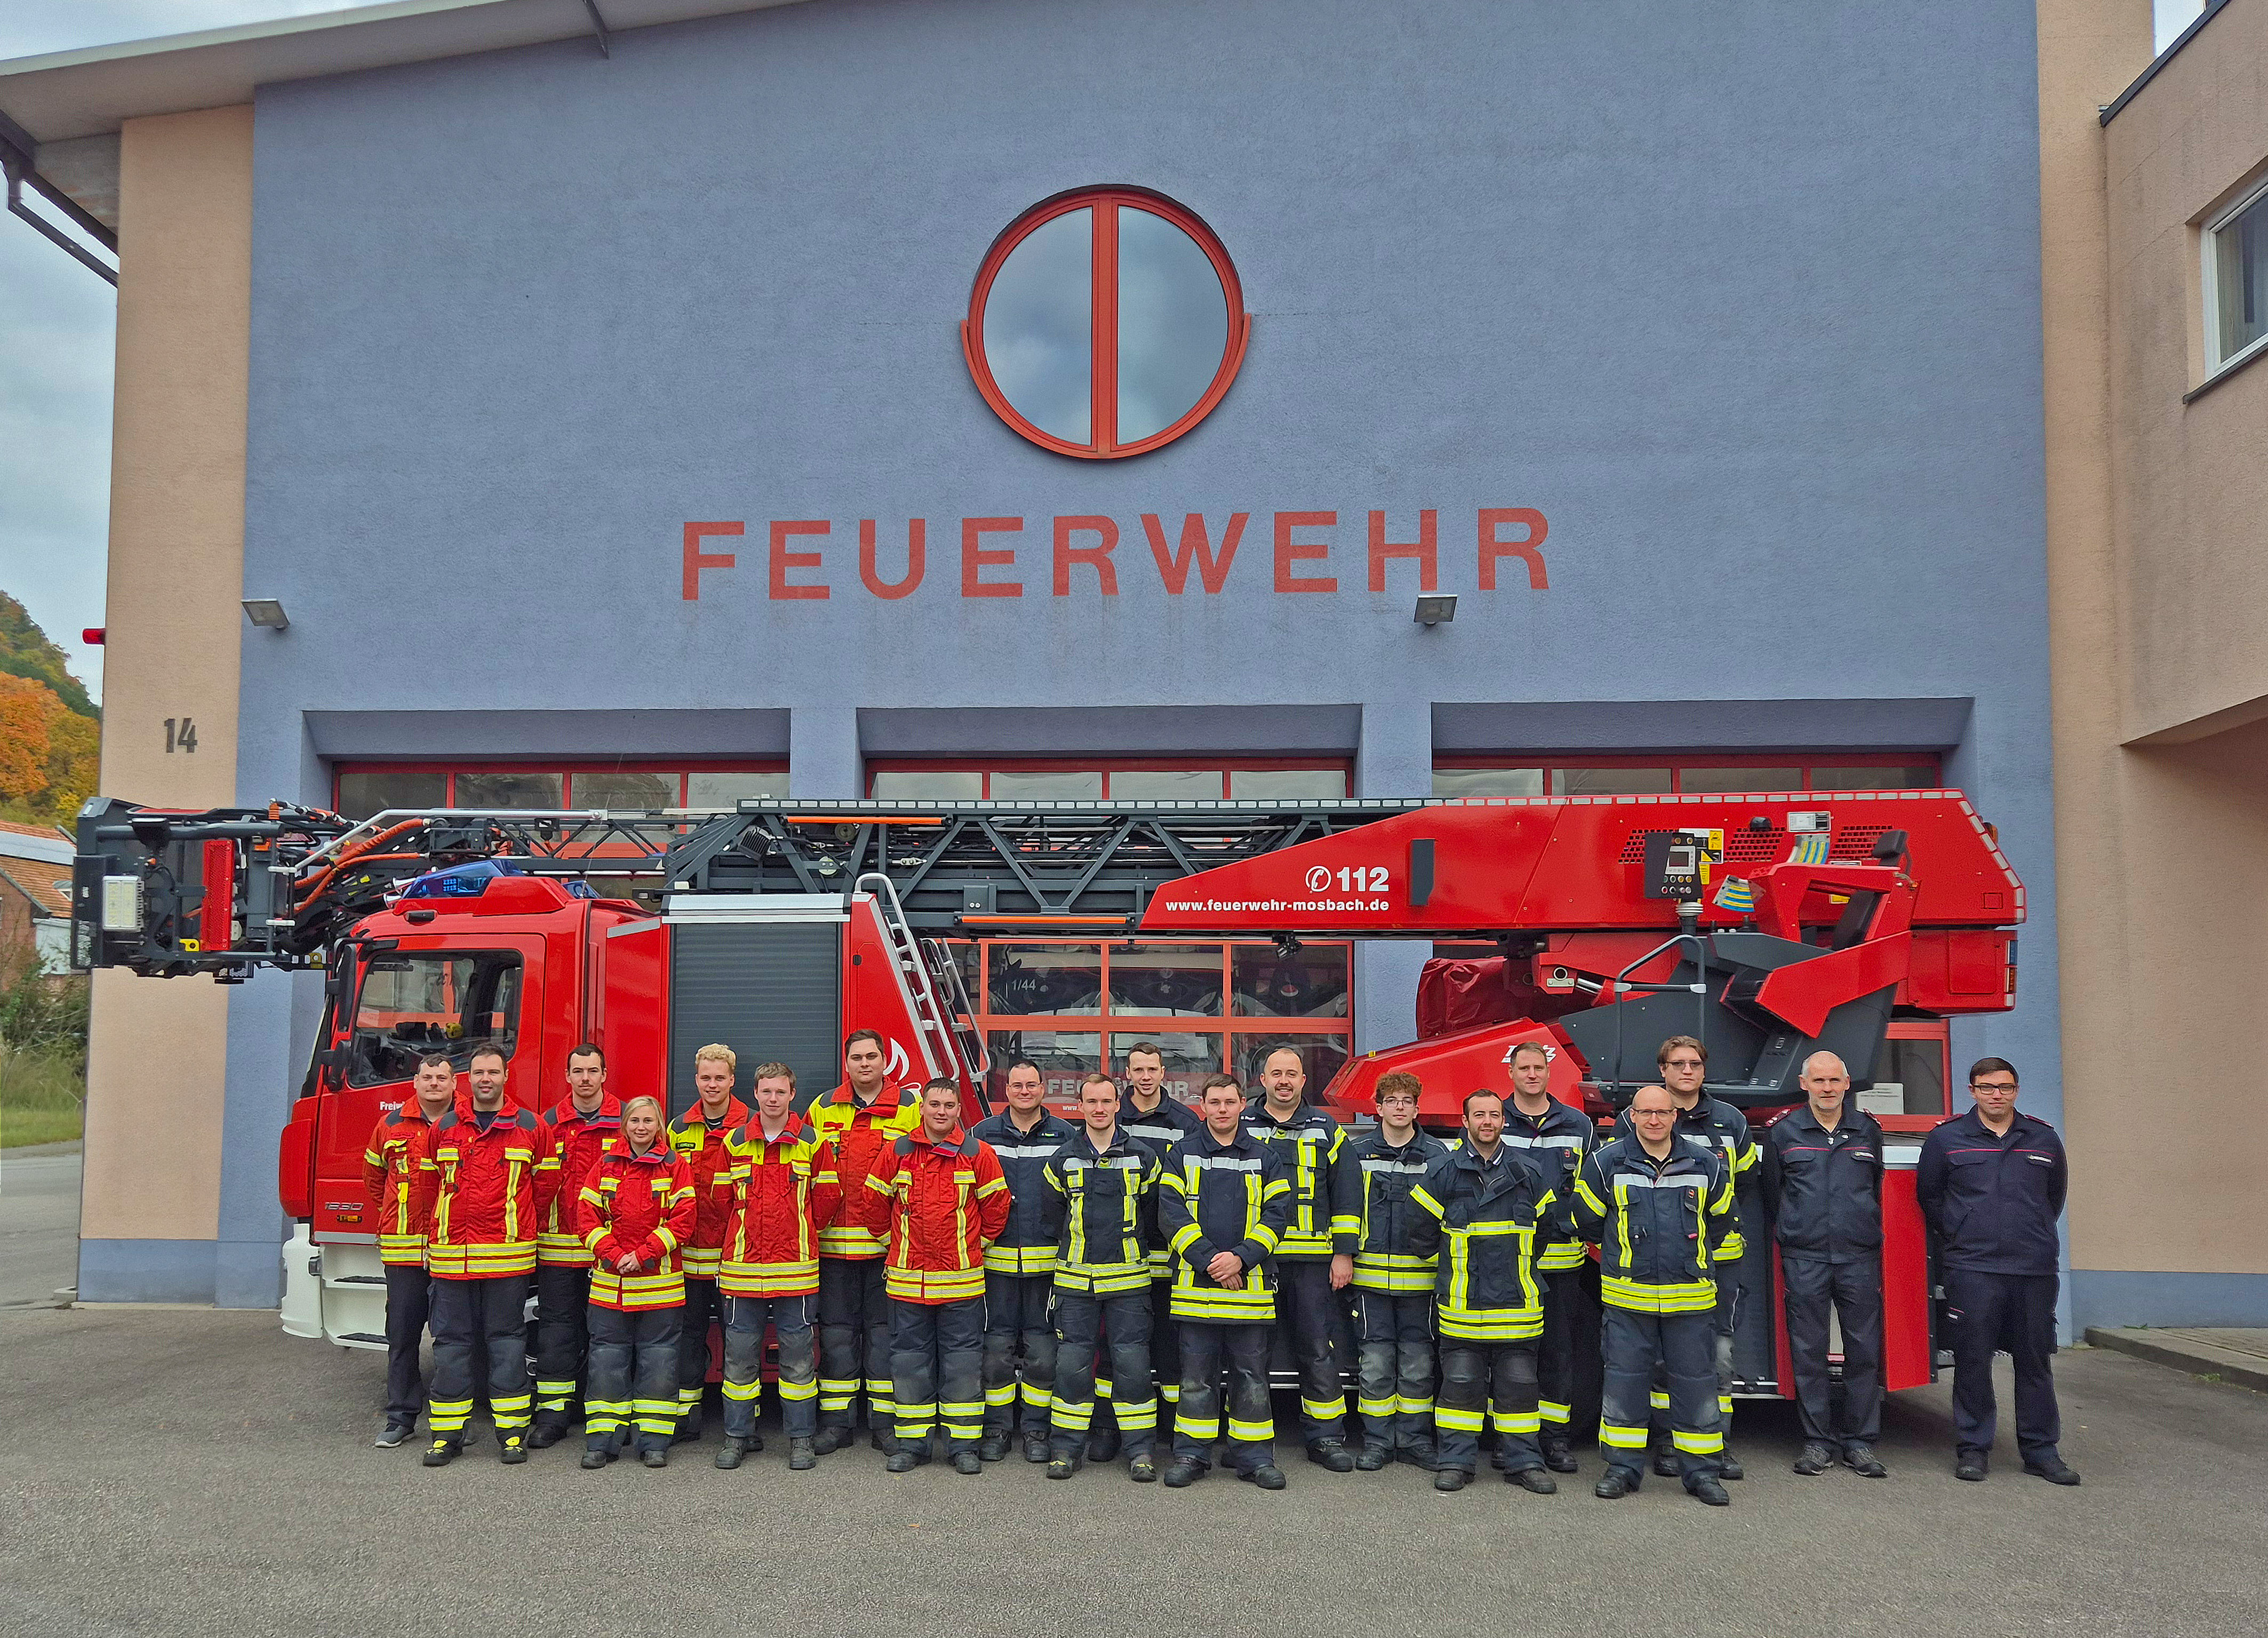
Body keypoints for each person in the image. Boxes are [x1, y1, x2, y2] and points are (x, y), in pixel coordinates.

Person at [1916, 1057, 2078, 1485]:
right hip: (1973, 1268)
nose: (1996, 1095)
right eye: (1987, 1087)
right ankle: (1973, 1449)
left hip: (2033, 1270)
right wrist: (1962, 1232)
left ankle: (2041, 1451)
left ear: (2016, 1090)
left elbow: (2054, 1197)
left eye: (2005, 1087)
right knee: (1973, 1360)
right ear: (1972, 1090)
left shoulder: (2043, 1138)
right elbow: (1931, 1197)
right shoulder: (1946, 1139)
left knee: (2035, 1361)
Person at [1572, 1082, 1735, 1506]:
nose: (1654, 1120)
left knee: (1696, 1387)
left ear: (1675, 1115)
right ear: (1632, 1116)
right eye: (1645, 1113)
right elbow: (1586, 1220)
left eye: (1662, 1112)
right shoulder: (1606, 1163)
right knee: (1625, 1384)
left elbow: (1720, 1220)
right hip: (1629, 1300)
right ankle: (1622, 1468)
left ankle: (1702, 1472)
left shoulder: (1705, 1163)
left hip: (1691, 1301)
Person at [1616, 1035, 1759, 1480]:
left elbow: (1746, 1185)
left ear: (1703, 1069)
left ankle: (1716, 1447)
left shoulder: (1731, 1122)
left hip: (1717, 1263)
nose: (1686, 1070)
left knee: (1716, 1356)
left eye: (1694, 1063)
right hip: (1655, 1264)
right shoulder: (1634, 1117)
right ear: (1662, 1069)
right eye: (1677, 1063)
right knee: (1661, 1359)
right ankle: (1667, 1446)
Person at [1408, 1089, 1561, 1496]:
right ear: (1466, 1119)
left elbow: (1544, 1232)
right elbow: (1419, 1232)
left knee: (1521, 1387)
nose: (1488, 1121)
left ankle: (1524, 1462)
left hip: (1518, 1307)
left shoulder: (1528, 1171)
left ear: (1503, 1120)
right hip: (1462, 1306)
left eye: (1495, 1114)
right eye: (1480, 1114)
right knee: (1459, 1386)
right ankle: (1456, 1461)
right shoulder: (1442, 1172)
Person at [1156, 1073, 1294, 1490]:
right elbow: (1170, 1213)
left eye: (1229, 1102)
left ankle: (1253, 1457)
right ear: (1203, 1105)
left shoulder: (1266, 1158)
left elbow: (1278, 1215)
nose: (1221, 1109)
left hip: (1249, 1291)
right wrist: (1212, 1262)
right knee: (1195, 1377)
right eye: (1214, 1102)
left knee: (1251, 1376)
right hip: (1198, 1290)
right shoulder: (1181, 1153)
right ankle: (1191, 1455)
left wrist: (1240, 1258)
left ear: (1241, 1105)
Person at [865, 1077, 1009, 1473]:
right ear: (923, 1108)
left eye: (949, 1104)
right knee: (910, 1364)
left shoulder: (978, 1153)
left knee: (962, 1366)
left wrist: (978, 1247)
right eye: (934, 1104)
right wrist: (891, 1243)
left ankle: (963, 1446)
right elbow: (873, 1202)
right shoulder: (897, 1151)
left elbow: (996, 1208)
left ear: (958, 1110)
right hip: (908, 1283)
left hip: (962, 1284)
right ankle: (913, 1445)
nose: (941, 1111)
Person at [1761, 1050, 1888, 1478]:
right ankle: (1817, 1441)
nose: (1828, 1088)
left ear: (1847, 1083)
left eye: (1835, 1080)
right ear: (1805, 1083)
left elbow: (1876, 1185)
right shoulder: (1784, 1132)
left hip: (1858, 1255)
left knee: (1864, 1350)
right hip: (1805, 1256)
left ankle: (1860, 1442)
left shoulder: (1867, 1130)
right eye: (1819, 1081)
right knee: (1809, 1351)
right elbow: (1772, 1194)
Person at [421, 1044, 545, 1466]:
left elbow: (543, 1189)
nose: (485, 1078)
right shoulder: (445, 1127)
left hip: (508, 1259)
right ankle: (446, 1437)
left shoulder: (530, 1125)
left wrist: (519, 1227)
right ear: (467, 1078)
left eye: (493, 1071)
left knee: (507, 1346)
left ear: (507, 1076)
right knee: (452, 1346)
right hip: (453, 1258)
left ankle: (512, 1435)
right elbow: (431, 1186)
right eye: (478, 1072)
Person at [1241, 1045, 1361, 1471]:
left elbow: (1347, 1195)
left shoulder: (1327, 1128)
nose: (1285, 1080)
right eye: (1277, 1073)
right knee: (1251, 1351)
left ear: (1303, 1080)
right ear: (1264, 1078)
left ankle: (1325, 1438)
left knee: (1317, 1349)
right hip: (1256, 1261)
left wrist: (1343, 1254)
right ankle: (1251, 1441)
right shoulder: (1241, 1126)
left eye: (1292, 1073)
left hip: (1313, 1262)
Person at [1042, 1070, 1163, 1481]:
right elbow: (1053, 1215)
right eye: (1091, 1102)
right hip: (1076, 1281)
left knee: (1132, 1366)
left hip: (1129, 1280)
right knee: (1072, 1367)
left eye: (1106, 1101)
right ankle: (1065, 1449)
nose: (1099, 1108)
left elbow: (1153, 1213)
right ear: (1080, 1106)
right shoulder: (1062, 1158)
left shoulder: (1145, 1156)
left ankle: (1140, 1451)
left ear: (1118, 1104)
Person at [810, 1028, 923, 1454]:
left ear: (884, 1060)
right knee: (837, 1339)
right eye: (856, 1057)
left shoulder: (911, 1108)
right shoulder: (822, 1108)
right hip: (834, 1249)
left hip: (887, 1249)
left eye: (871, 1056)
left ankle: (884, 1424)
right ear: (846, 1062)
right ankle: (836, 1425)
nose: (864, 1064)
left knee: (883, 1340)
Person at [574, 1095, 695, 1468]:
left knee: (659, 1362)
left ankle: (654, 1441)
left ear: (659, 1125)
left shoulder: (676, 1166)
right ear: (624, 1125)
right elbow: (586, 1217)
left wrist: (640, 1255)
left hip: (659, 1284)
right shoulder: (605, 1164)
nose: (641, 1127)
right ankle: (602, 1441)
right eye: (635, 1120)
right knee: (606, 1361)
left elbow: (684, 1220)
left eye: (648, 1120)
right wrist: (612, 1253)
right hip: (611, 1284)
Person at [714, 1062, 825, 1472]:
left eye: (780, 1091)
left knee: (798, 1360)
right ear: (755, 1094)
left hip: (795, 1270)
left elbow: (825, 1199)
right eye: (766, 1092)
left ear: (792, 1094)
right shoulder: (735, 1141)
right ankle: (736, 1437)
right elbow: (723, 1200)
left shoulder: (812, 1141)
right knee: (739, 1359)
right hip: (743, 1270)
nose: (773, 1098)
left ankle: (800, 1440)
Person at [968, 1059, 1074, 1463]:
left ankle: (1036, 1430)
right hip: (994, 1264)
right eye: (1017, 1085)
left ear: (1044, 1088)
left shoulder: (1066, 1135)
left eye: (1032, 1084)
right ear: (1007, 1089)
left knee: (1043, 1353)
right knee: (994, 1349)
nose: (1025, 1091)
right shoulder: (982, 1134)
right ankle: (996, 1427)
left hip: (1047, 1265)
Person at [1343, 1070, 1448, 1471]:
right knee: (1375, 1366)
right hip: (1370, 1281)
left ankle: (1415, 1440)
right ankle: (1377, 1441)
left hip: (1422, 1283)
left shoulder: (1438, 1155)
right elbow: (1347, 1209)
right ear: (1379, 1107)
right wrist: (1346, 1256)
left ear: (1418, 1107)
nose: (1400, 1107)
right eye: (1392, 1101)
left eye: (1407, 1101)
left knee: (1419, 1366)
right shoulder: (1358, 1151)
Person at [1104, 1041, 1203, 1455]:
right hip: (1122, 1256)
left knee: (1170, 1347)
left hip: (1171, 1254)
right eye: (1138, 1069)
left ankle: (1170, 1430)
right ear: (1127, 1074)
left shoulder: (1186, 1121)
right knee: (1118, 1350)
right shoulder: (1110, 1114)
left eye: (1153, 1069)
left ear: (1165, 1074)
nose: (1145, 1076)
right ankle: (1111, 1429)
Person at [1500, 1040, 1594, 1474]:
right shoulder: (1494, 1119)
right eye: (1525, 1068)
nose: (1533, 1074)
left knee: (1558, 1354)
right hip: (1508, 1261)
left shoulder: (1578, 1124)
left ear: (1548, 1072)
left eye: (1539, 1067)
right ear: (1512, 1073)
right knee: (1508, 1354)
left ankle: (1555, 1441)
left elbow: (1592, 1190)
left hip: (1561, 1262)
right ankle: (1507, 1440)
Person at [528, 1042, 621, 1448]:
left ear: (605, 1074)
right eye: (578, 1071)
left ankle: (606, 1412)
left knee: (608, 1335)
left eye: (593, 1070)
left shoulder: (626, 1122)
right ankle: (554, 1414)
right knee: (557, 1333)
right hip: (559, 1248)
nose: (585, 1078)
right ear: (567, 1077)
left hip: (610, 1253)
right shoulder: (546, 1124)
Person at [362, 1051, 456, 1448]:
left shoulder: (466, 1124)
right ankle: (401, 1417)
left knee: (452, 1337)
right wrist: (395, 1217)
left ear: (455, 1084)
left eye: (442, 1077)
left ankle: (452, 1422)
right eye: (427, 1077)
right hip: (403, 1253)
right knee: (401, 1335)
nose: (434, 1083)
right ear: (415, 1082)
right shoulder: (390, 1125)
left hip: (453, 1249)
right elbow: (373, 1179)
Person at [665, 1043, 750, 1443]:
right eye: (706, 1077)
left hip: (736, 1258)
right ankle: (688, 1414)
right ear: (696, 1079)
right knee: (689, 1335)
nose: (712, 1084)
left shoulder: (750, 1125)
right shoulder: (679, 1128)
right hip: (688, 1257)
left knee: (739, 1340)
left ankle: (743, 1424)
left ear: (732, 1080)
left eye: (720, 1077)